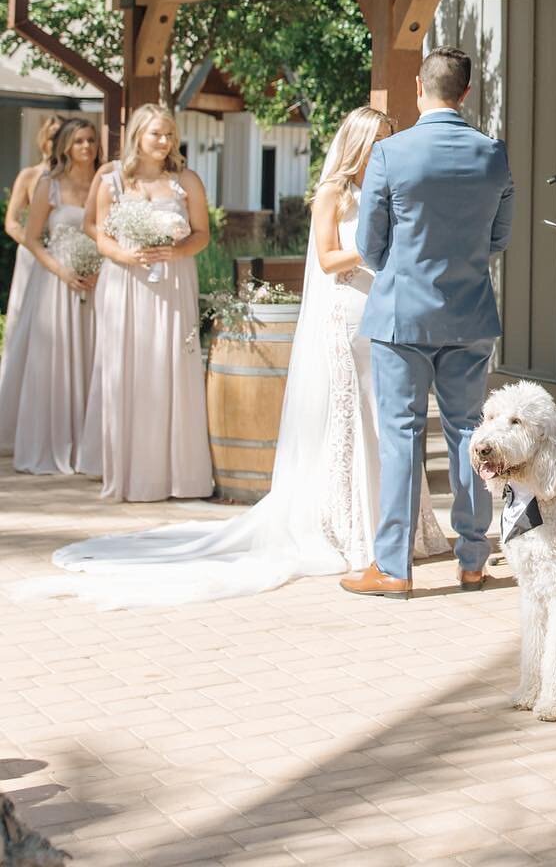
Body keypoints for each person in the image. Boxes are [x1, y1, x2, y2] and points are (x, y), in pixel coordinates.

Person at [24, 107, 450, 608]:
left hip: (385, 313)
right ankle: (353, 526)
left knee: (389, 417)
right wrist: (373, 244)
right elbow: (330, 259)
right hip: (347, 314)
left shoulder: (391, 189)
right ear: (355, 143)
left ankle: (400, 528)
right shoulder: (333, 193)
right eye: (377, 138)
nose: (384, 146)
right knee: (351, 416)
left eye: (389, 137)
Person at [343, 47, 514, 598]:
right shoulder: (492, 155)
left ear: (420, 88)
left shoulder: (391, 153)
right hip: (470, 312)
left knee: (401, 435)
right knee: (471, 433)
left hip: (402, 313)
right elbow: (498, 238)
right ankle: (471, 559)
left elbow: (370, 245)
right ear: (466, 93)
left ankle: (393, 566)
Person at [79, 103, 213, 502]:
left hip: (174, 281)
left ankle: (177, 474)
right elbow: (100, 233)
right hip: (126, 283)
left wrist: (177, 251)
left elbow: (202, 234)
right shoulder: (112, 180)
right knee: (128, 369)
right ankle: (132, 471)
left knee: (171, 365)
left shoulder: (186, 180)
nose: (165, 141)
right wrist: (123, 256)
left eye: (170, 134)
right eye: (157, 133)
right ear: (138, 134)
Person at [14, 117, 100, 475]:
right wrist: (62, 271)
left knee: (92, 357)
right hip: (56, 279)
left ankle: (90, 443)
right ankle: (53, 442)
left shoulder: (104, 181)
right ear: (65, 145)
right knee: (56, 361)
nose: (87, 147)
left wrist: (98, 265)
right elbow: (32, 238)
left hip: (95, 279)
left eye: (92, 140)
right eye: (79, 140)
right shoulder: (49, 183)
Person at [1, 113, 68, 454]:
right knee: (24, 328)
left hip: (64, 254)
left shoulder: (74, 176)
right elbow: (12, 221)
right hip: (34, 255)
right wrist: (32, 243)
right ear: (44, 139)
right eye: (52, 135)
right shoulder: (31, 175)